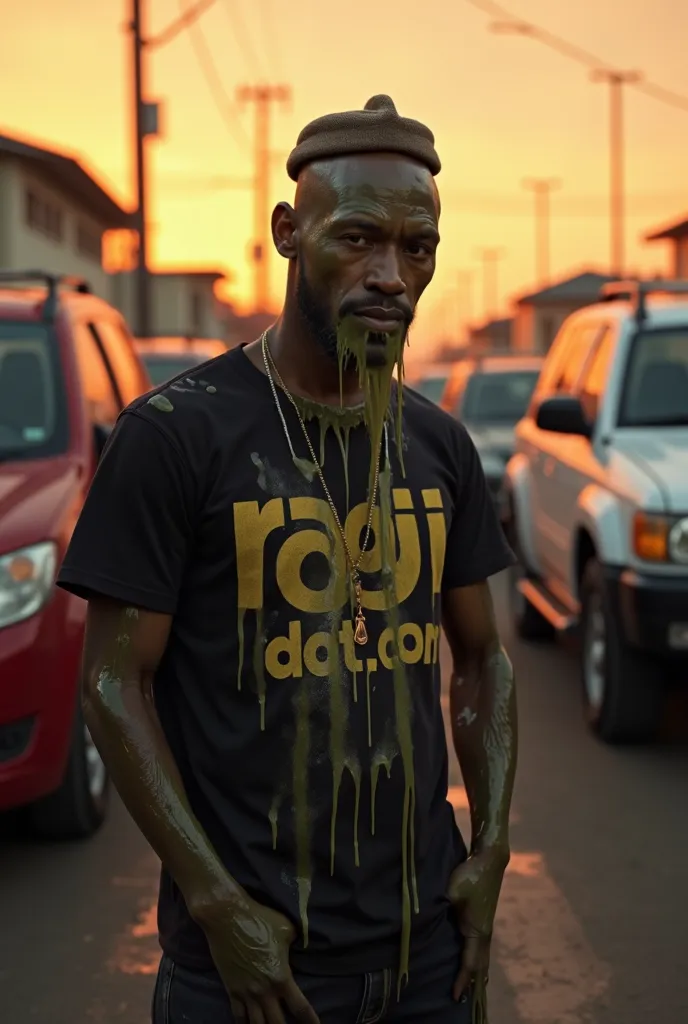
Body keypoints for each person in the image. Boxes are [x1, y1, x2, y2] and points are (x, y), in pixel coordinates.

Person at [57, 94, 517, 1024]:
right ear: (288, 234)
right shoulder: (176, 437)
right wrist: (216, 903)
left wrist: (492, 847)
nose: (391, 274)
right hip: (249, 965)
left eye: (417, 248)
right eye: (358, 238)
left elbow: (481, 658)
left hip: (431, 958)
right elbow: (113, 686)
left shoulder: (438, 446)